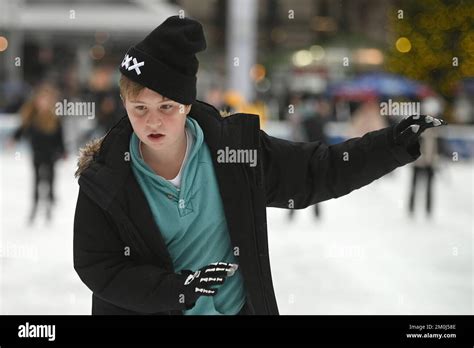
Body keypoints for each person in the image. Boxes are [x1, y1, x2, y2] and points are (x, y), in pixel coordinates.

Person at [73, 15, 446, 315]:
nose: (152, 121)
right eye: (140, 109)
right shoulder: (105, 178)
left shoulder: (235, 154)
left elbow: (319, 170)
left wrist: (390, 146)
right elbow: (99, 266)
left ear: (186, 105)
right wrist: (177, 290)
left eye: (166, 107)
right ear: (124, 105)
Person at [8, 82, 66, 223]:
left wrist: (63, 151)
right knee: (36, 179)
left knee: (51, 178)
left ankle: (49, 204)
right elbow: (21, 130)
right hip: (37, 153)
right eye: (41, 100)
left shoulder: (55, 118)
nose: (43, 103)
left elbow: (60, 137)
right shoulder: (31, 117)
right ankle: (35, 205)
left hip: (51, 154)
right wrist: (14, 139)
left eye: (46, 100)